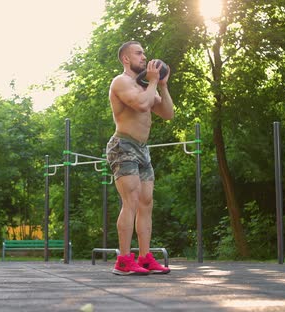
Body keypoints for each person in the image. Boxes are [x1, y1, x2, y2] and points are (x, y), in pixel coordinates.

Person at [106, 41, 174, 275]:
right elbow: (142, 105)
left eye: (144, 52)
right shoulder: (121, 82)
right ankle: (123, 260)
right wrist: (153, 81)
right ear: (126, 59)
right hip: (122, 145)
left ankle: (145, 258)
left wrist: (162, 85)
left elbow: (167, 113)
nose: (144, 57)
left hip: (142, 149)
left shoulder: (145, 87)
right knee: (131, 201)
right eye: (139, 53)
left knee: (147, 203)